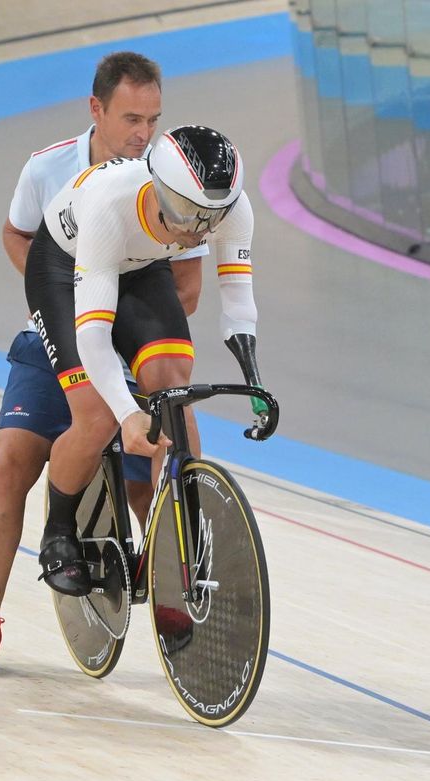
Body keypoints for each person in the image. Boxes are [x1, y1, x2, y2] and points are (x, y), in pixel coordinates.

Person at [0, 52, 205, 677]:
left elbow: (190, 282)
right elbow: (17, 236)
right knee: (12, 457)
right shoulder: (47, 168)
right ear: (96, 110)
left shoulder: (171, 174)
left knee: (165, 443)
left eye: (153, 119)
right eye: (130, 118)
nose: (143, 134)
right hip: (59, 330)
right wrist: (59, 303)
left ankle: (176, 582)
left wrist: (132, 336)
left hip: (124, 333)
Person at [31, 125, 263, 599]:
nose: (195, 229)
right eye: (187, 212)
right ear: (159, 187)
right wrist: (126, 412)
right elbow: (93, 332)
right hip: (65, 265)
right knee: (96, 415)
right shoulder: (108, 203)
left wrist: (255, 386)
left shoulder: (233, 208)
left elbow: (239, 302)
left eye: (209, 218)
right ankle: (57, 530)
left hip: (139, 266)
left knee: (174, 394)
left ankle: (177, 546)